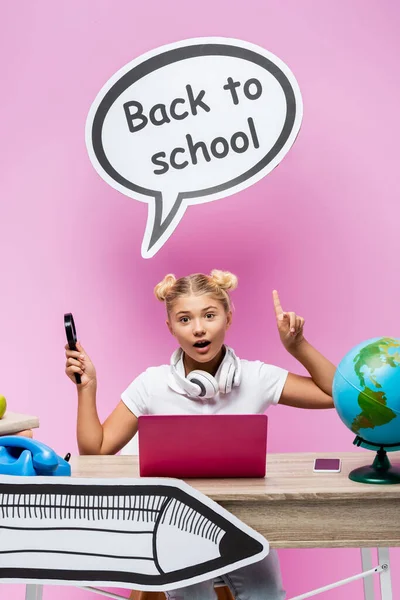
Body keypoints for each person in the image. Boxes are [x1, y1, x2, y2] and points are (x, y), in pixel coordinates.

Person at [65, 270, 336, 600]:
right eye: (184, 319)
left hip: (243, 520)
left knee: (267, 592)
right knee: (191, 593)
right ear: (170, 327)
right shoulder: (151, 384)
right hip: (176, 523)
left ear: (228, 317)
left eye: (209, 315)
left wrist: (298, 346)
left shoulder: (255, 377)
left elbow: (335, 394)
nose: (198, 328)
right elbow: (96, 450)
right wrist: (88, 387)